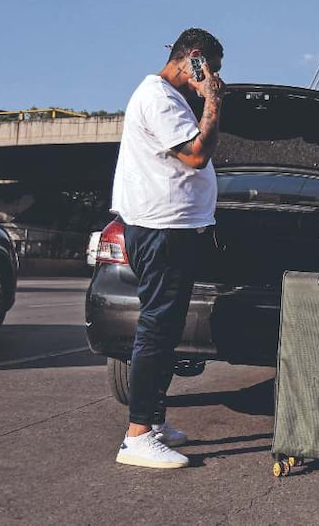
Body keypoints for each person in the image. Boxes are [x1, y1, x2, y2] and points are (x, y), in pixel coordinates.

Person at [110, 28, 226, 468]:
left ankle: (153, 420)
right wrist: (213, 98)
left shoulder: (169, 98)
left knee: (167, 328)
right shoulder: (157, 96)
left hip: (170, 229)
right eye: (211, 67)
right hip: (161, 230)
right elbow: (196, 154)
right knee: (157, 330)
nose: (212, 76)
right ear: (194, 58)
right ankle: (137, 436)